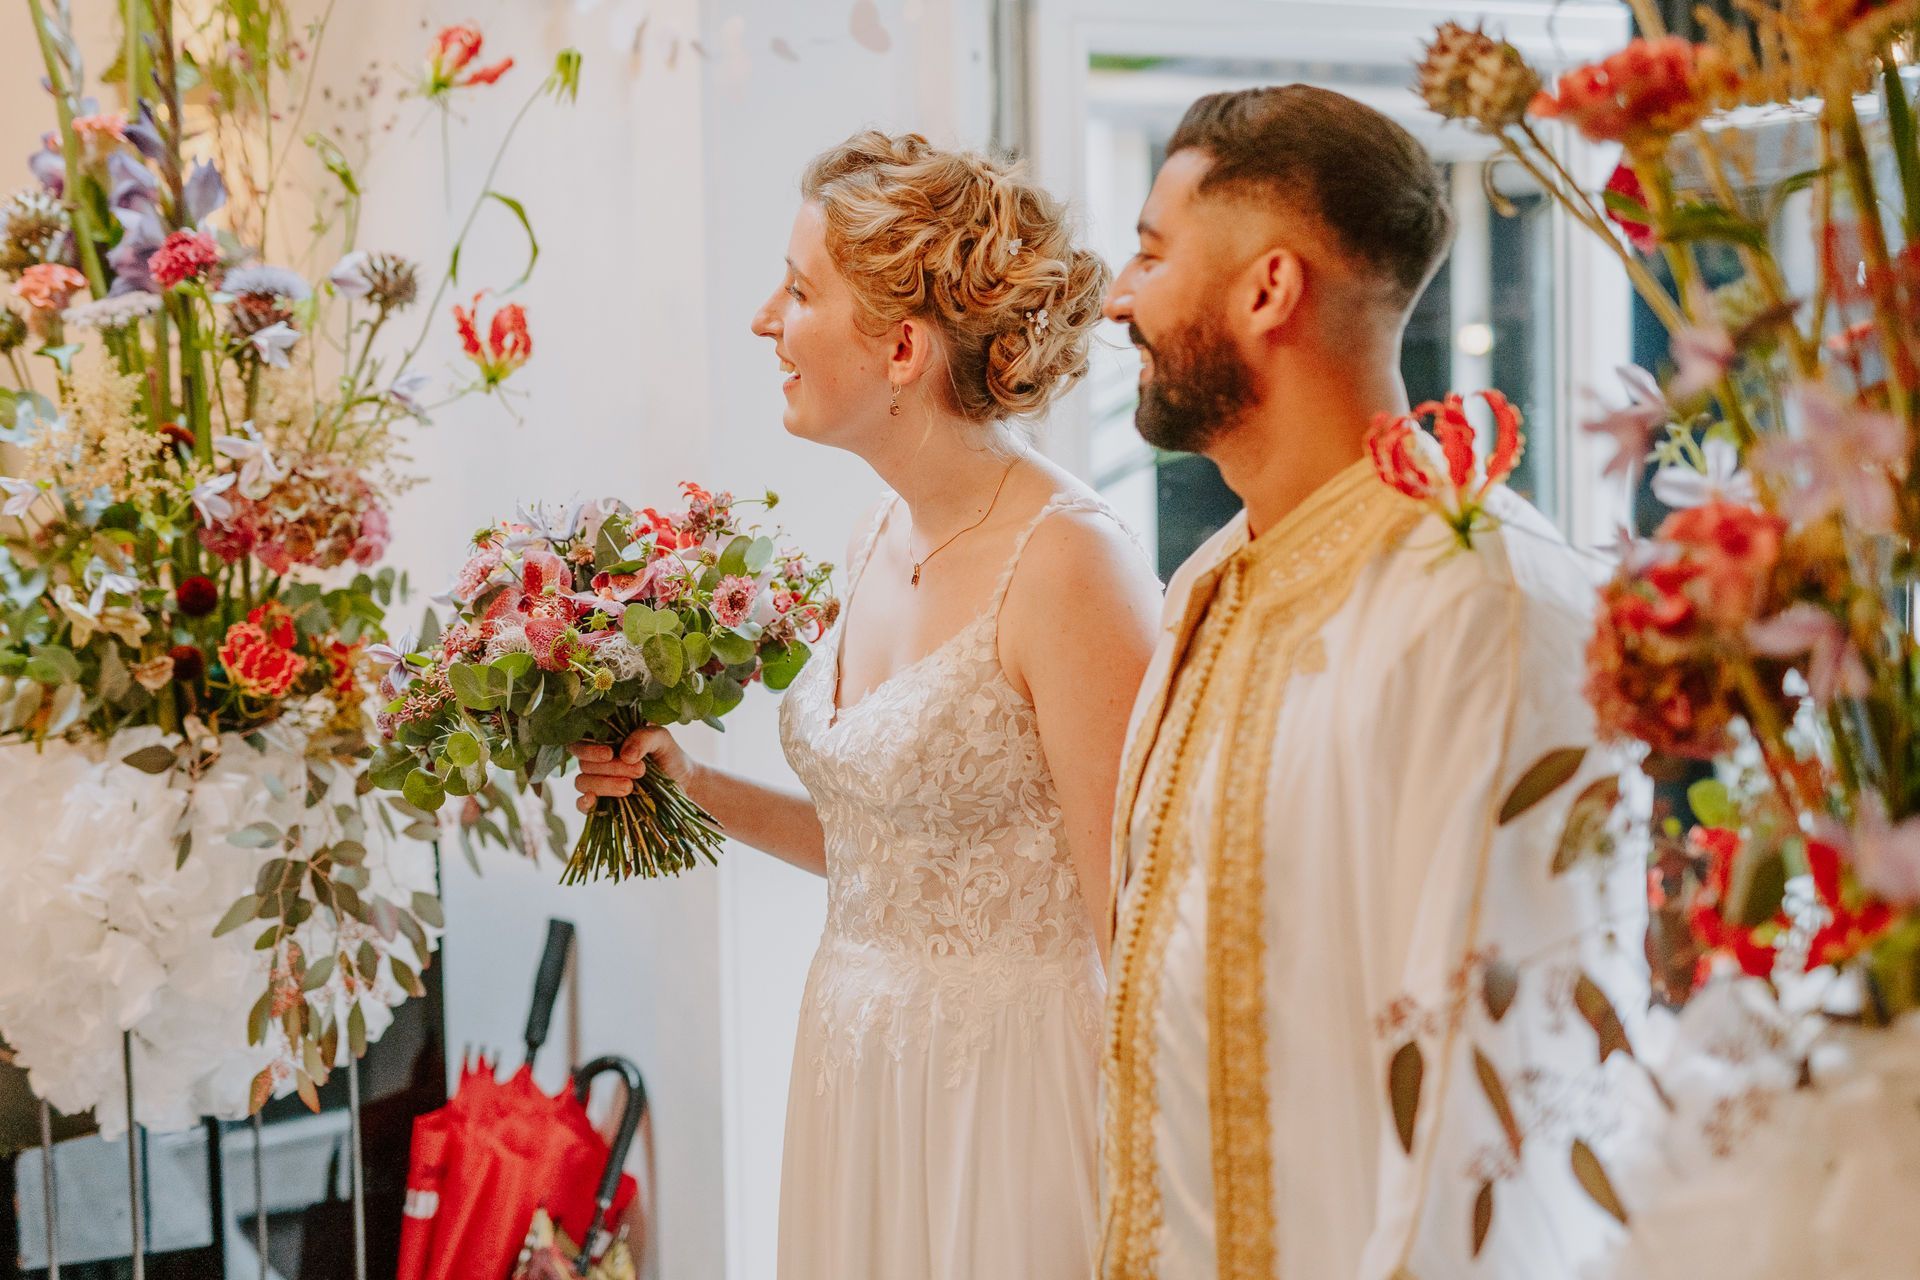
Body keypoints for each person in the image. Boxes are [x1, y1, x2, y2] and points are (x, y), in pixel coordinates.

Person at [572, 131, 1162, 1279]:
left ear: (900, 347)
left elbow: (1132, 930)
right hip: (859, 1067)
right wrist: (692, 782)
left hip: (1011, 1099)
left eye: (798, 292)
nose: (764, 321)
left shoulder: (1070, 564)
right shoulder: (875, 533)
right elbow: (889, 852)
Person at [1098, 87, 1647, 1277]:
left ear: (1267, 289)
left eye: (1149, 252)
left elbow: (1498, 1104)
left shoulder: (1491, 603)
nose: (1115, 297)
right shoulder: (1206, 582)